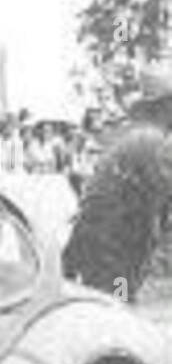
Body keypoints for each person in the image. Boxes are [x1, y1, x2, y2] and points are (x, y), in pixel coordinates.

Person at [62, 65, 172, 302]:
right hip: (115, 251)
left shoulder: (132, 135)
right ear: (165, 106)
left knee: (110, 305)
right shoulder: (152, 141)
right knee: (117, 309)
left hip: (100, 245)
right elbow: (164, 189)